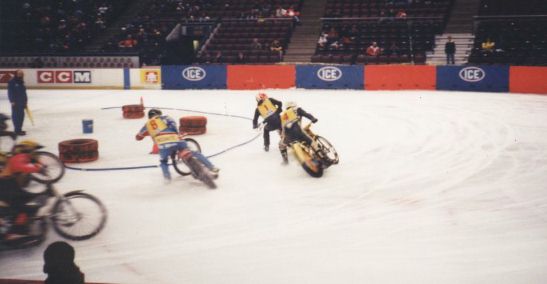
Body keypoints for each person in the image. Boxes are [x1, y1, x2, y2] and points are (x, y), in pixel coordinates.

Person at [135, 109, 219, 183]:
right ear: (158, 114)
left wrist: (148, 133)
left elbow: (138, 137)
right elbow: (173, 125)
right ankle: (211, 167)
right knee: (194, 153)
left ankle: (167, 178)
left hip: (163, 146)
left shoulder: (147, 125)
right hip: (175, 140)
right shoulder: (165, 118)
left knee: (163, 161)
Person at [0, 140, 45, 242]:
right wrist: (38, 169)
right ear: (28, 150)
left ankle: (25, 222)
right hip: (5, 185)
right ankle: (15, 232)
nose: (36, 154)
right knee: (22, 206)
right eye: (34, 151)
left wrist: (39, 166)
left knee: (27, 201)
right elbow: (20, 166)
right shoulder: (18, 157)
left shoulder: (24, 157)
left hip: (9, 184)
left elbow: (31, 164)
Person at [7, 70, 28, 136]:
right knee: (16, 116)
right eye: (19, 73)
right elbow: (10, 92)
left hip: (22, 101)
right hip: (16, 102)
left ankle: (19, 129)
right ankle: (17, 130)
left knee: (21, 116)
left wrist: (25, 101)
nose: (21, 74)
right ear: (16, 74)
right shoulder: (12, 81)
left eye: (22, 73)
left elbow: (24, 92)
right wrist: (12, 101)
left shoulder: (21, 81)